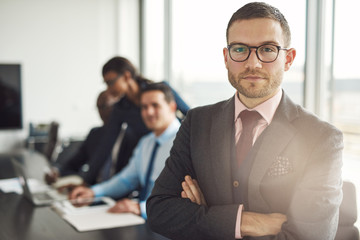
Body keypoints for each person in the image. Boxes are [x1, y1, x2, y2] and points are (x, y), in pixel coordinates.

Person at [147, 2, 343, 240]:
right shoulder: (197, 122)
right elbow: (159, 210)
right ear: (226, 57)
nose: (253, 63)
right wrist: (247, 222)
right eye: (240, 49)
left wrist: (204, 216)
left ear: (289, 59)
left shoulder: (322, 138)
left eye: (268, 49)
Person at [69, 83, 181, 219]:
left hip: (168, 222)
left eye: (155, 105)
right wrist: (93, 192)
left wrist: (140, 208)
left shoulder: (185, 143)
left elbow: (185, 198)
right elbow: (126, 180)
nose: (149, 112)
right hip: (143, 219)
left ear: (172, 107)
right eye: (144, 107)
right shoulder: (146, 142)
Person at [78, 56, 189, 185]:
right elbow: (106, 145)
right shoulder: (120, 109)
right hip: (145, 160)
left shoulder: (159, 91)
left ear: (126, 76)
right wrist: (85, 182)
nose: (108, 89)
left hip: (173, 150)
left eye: (110, 82)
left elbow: (190, 116)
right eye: (144, 107)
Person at [44, 90, 119, 185]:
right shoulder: (95, 134)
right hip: (91, 190)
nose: (101, 112)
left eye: (104, 106)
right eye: (98, 107)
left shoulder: (126, 135)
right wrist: (56, 171)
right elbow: (74, 162)